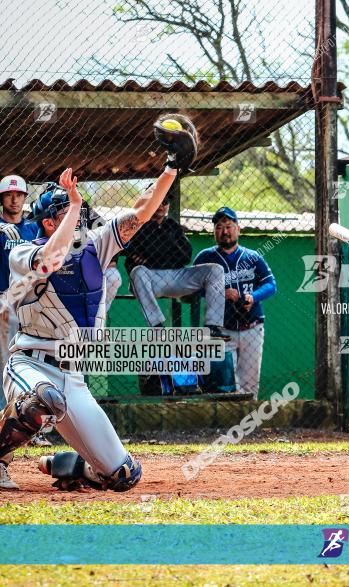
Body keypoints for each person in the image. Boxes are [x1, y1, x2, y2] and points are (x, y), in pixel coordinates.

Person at [0, 111, 192, 491]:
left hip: (74, 377)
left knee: (123, 476)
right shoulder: (22, 252)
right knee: (43, 402)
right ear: (49, 223)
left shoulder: (94, 246)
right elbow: (51, 260)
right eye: (68, 213)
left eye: (81, 212)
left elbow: (141, 212)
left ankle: (69, 465)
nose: (81, 218)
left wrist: (171, 168)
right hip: (30, 365)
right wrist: (72, 205)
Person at [193, 207, 277, 398]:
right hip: (222, 330)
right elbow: (191, 289)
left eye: (229, 226)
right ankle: (225, 424)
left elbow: (271, 284)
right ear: (214, 231)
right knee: (225, 386)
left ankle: (248, 424)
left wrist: (252, 297)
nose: (224, 231)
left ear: (238, 229)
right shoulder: (205, 258)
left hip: (252, 327)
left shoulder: (252, 257)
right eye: (219, 226)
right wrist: (220, 292)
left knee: (249, 386)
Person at [124, 191, 225, 337]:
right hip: (150, 280)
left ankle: (213, 327)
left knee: (215, 269)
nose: (161, 206)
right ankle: (157, 327)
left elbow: (186, 255)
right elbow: (131, 258)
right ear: (150, 201)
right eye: (158, 200)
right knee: (137, 272)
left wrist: (150, 257)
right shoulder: (137, 225)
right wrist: (169, 252)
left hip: (177, 276)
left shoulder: (172, 225)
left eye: (165, 202)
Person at [0, 176, 40, 374]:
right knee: (5, 360)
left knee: (31, 358)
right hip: (4, 300)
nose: (14, 200)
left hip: (31, 300)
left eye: (18, 195)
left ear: (25, 197)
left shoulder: (33, 228)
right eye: (8, 195)